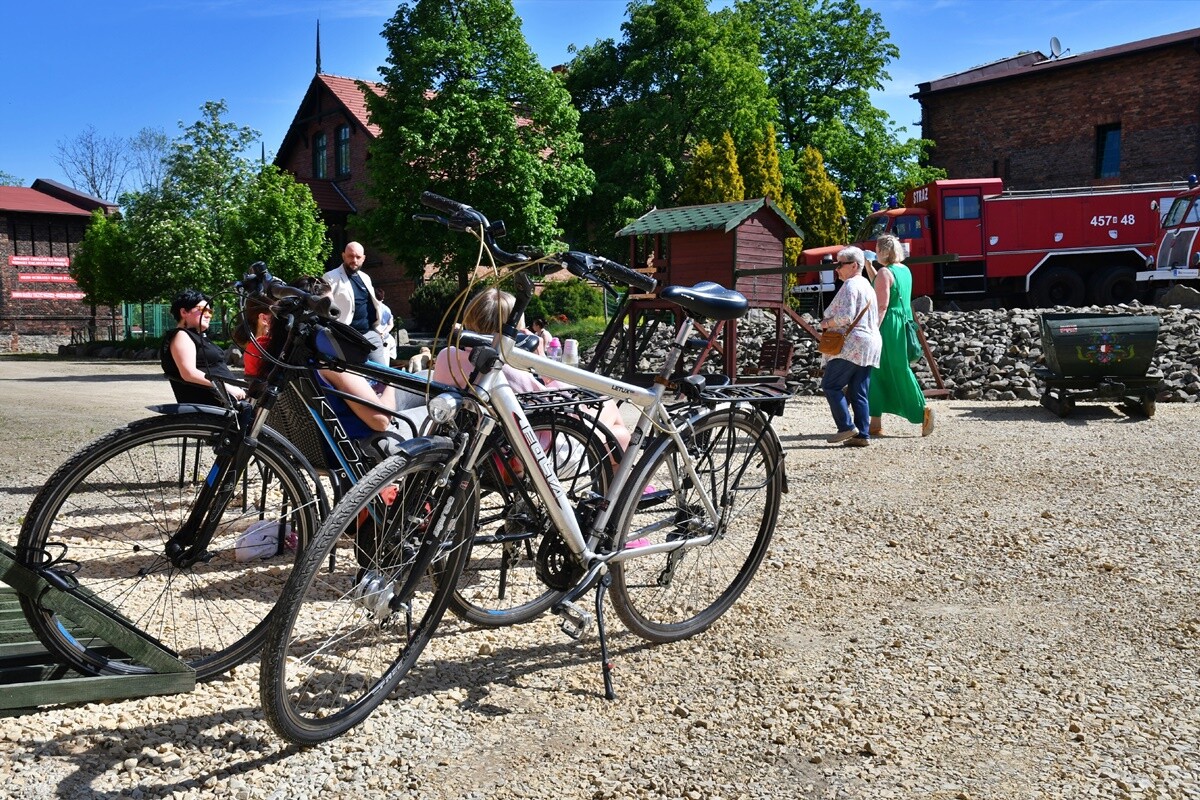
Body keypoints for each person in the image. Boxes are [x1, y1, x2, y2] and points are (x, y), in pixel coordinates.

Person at [434, 288, 631, 452]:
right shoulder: (505, 368)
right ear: (515, 331)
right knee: (613, 417)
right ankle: (614, 492)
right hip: (526, 452)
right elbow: (554, 406)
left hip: (469, 444)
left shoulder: (447, 356)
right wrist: (540, 362)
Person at [868, 234, 934, 438]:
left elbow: (882, 305)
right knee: (891, 369)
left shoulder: (885, 273)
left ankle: (922, 411)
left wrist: (872, 330)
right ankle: (875, 423)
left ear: (883, 251)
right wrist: (868, 266)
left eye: (877, 249)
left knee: (883, 370)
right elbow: (881, 283)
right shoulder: (904, 270)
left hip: (888, 325)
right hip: (903, 322)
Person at [819, 247, 881, 446]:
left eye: (840, 264)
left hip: (852, 344)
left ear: (854, 265)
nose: (836, 269)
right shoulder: (867, 285)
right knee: (859, 390)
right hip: (870, 344)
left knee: (831, 385)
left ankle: (846, 427)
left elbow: (846, 316)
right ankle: (862, 435)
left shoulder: (851, 285)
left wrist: (826, 323)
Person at [160, 289, 246, 405]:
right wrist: (226, 387)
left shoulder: (196, 336)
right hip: (215, 404)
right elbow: (189, 373)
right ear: (184, 312)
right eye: (203, 310)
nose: (208, 315)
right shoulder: (182, 335)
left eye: (210, 312)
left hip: (227, 399)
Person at [323, 241, 391, 364]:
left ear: (363, 259)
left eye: (358, 257)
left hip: (370, 334)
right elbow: (325, 308)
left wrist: (378, 329)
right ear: (343, 256)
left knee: (384, 375)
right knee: (356, 374)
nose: (354, 260)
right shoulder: (331, 277)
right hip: (347, 336)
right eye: (350, 256)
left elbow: (372, 304)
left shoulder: (365, 278)